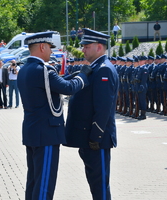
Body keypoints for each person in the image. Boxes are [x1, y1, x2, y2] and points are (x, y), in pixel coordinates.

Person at [17, 31, 92, 200]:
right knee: (44, 183)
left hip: (32, 132)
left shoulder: (25, 69)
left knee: (34, 181)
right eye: (50, 48)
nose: (51, 51)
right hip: (47, 134)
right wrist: (83, 75)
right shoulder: (43, 70)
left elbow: (58, 84)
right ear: (42, 47)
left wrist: (73, 76)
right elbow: (68, 88)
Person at [64, 28, 119, 200]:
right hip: (89, 139)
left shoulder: (104, 70)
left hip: (97, 140)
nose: (83, 49)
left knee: (100, 184)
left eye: (87, 46)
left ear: (99, 47)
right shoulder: (95, 68)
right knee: (95, 183)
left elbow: (103, 108)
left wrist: (96, 136)